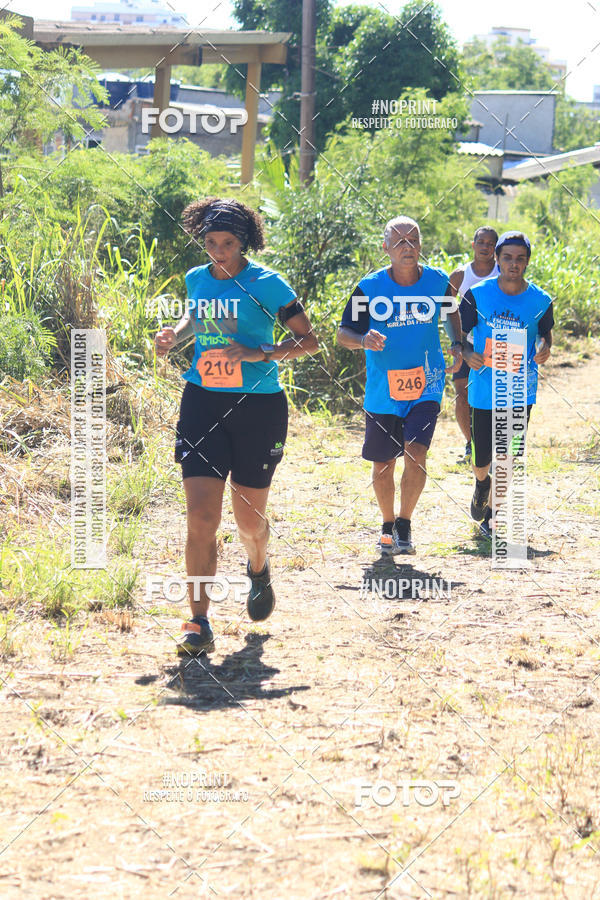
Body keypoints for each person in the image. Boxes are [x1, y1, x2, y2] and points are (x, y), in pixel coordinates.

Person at [154, 197, 318, 656]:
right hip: (202, 402)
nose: (218, 251)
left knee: (249, 521)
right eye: (210, 243)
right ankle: (198, 621)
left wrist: (260, 353)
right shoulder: (196, 278)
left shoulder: (266, 284)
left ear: (243, 242)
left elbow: (309, 342)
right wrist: (175, 334)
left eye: (227, 243)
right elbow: (194, 316)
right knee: (201, 517)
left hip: (258, 408)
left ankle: (258, 566)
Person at [337, 216, 463, 555]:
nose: (407, 247)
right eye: (400, 241)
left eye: (413, 240)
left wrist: (457, 343)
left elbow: (451, 312)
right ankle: (387, 523)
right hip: (383, 390)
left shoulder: (438, 281)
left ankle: (405, 522)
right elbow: (343, 334)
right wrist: (363, 339)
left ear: (420, 245)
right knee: (383, 465)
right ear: (386, 247)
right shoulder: (369, 287)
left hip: (428, 382)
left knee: (416, 453)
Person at [460, 230, 553, 538]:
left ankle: (494, 516)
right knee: (483, 456)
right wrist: (467, 352)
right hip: (485, 389)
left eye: (520, 259)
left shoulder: (540, 299)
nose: (514, 264)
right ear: (497, 259)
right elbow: (460, 337)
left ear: (527, 262)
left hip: (520, 388)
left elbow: (545, 332)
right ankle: (481, 483)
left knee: (508, 455)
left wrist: (545, 347)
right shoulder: (478, 295)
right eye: (508, 258)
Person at [448, 226, 499, 463]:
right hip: (465, 344)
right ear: (473, 245)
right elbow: (447, 310)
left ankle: (497, 448)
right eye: (482, 242)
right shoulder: (460, 275)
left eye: (491, 243)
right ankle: (471, 446)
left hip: (496, 345)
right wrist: (456, 342)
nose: (486, 247)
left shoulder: (503, 272)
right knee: (461, 394)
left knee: (493, 397)